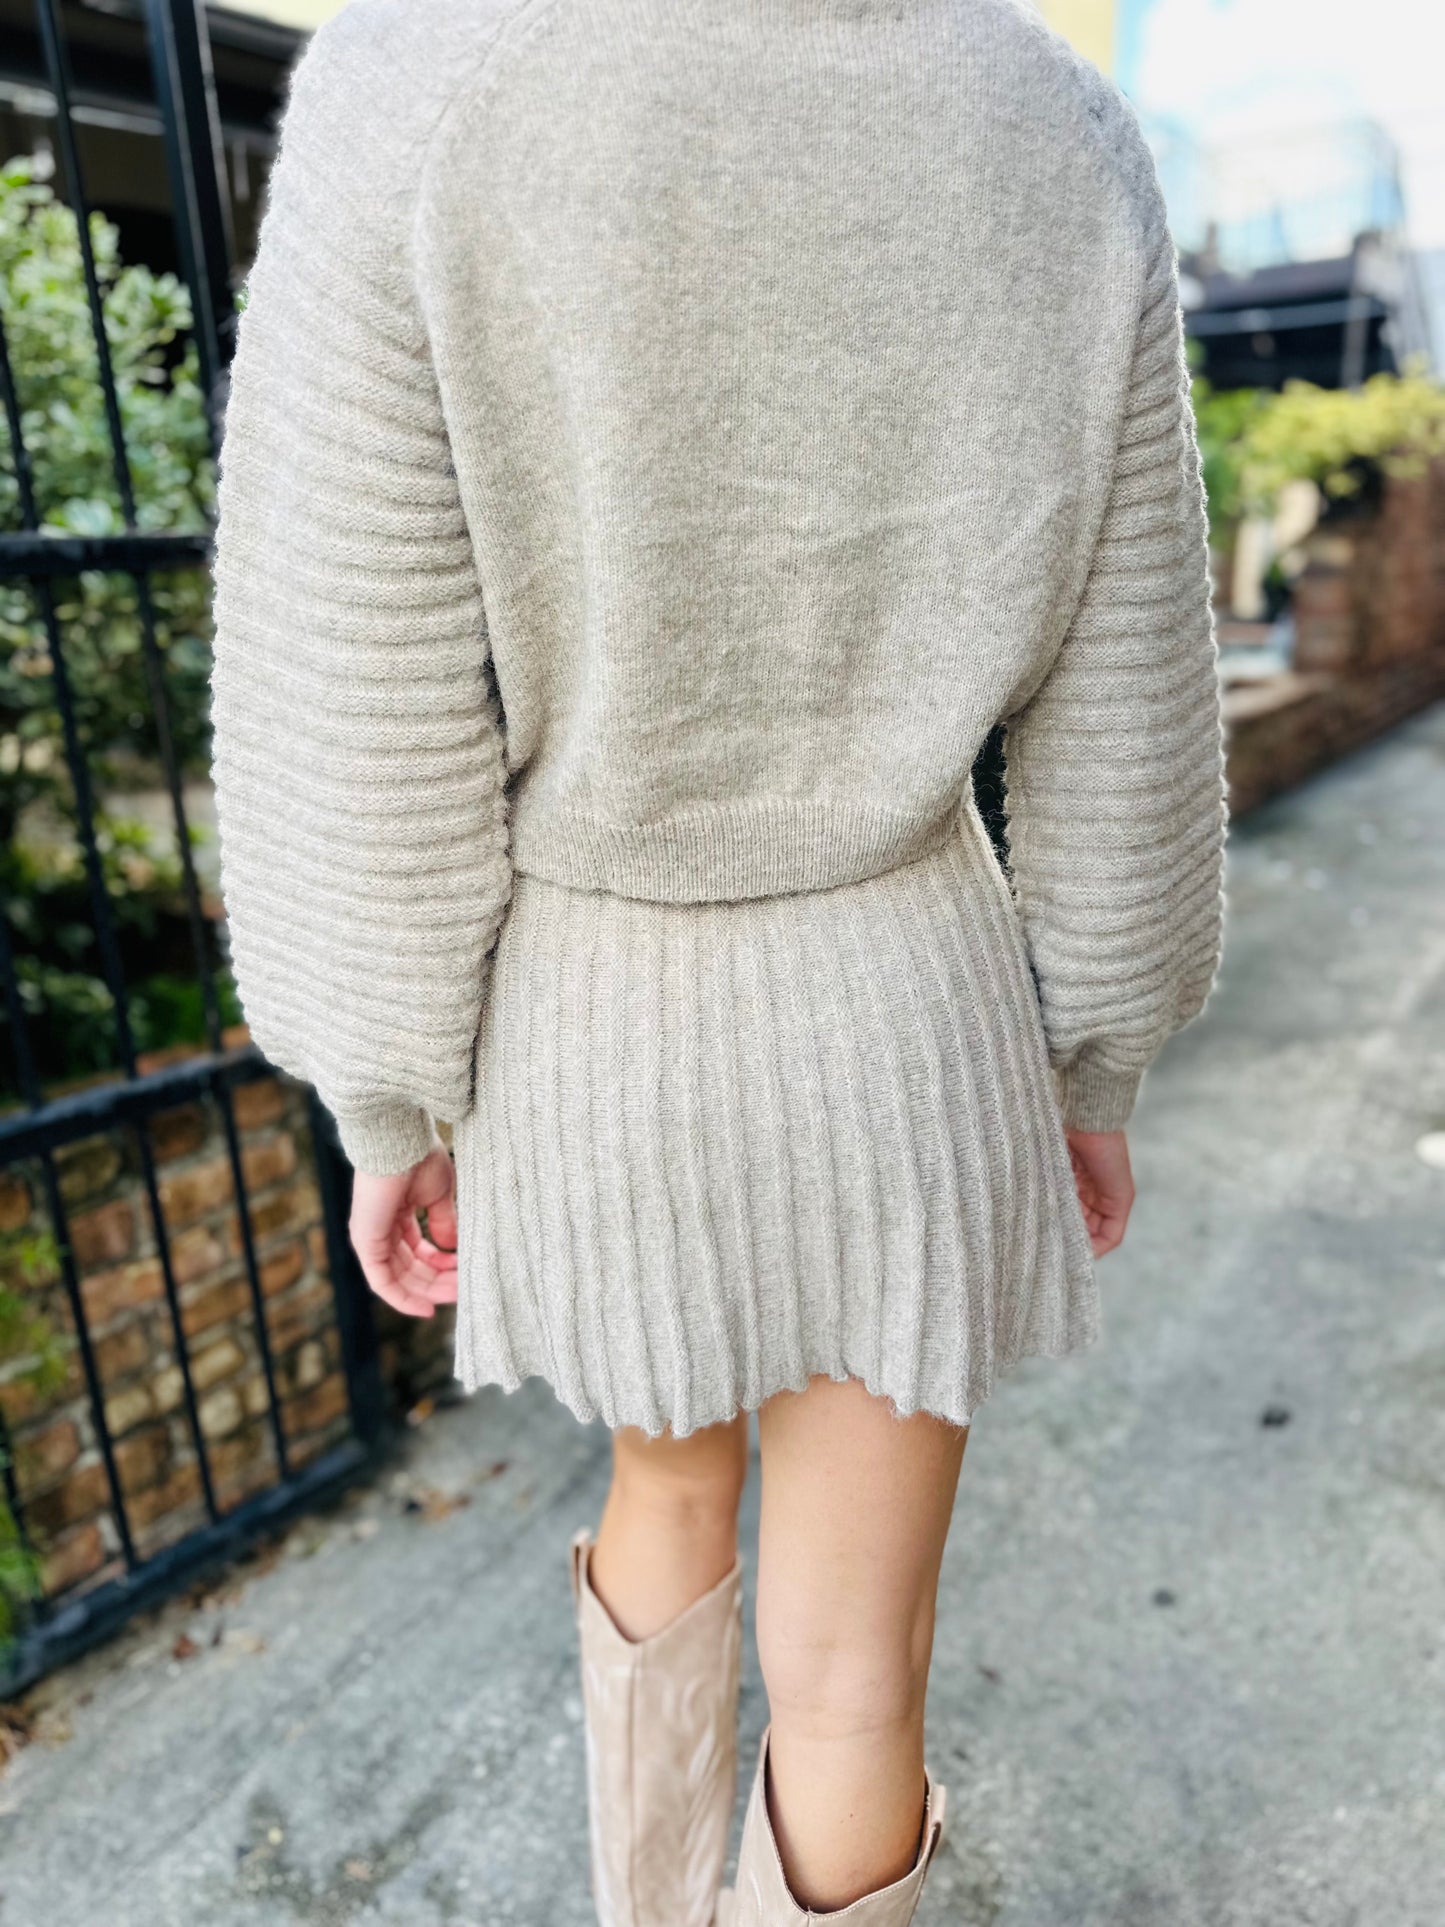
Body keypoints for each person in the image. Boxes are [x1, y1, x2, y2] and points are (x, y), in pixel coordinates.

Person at [209, 0, 1228, 1920]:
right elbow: (1132, 682)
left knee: (666, 1496)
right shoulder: (1050, 125)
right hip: (911, 1015)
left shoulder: (419, 78)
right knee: (856, 1682)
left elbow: (353, 663)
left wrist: (390, 1097)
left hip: (594, 1029)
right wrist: (1096, 1056)